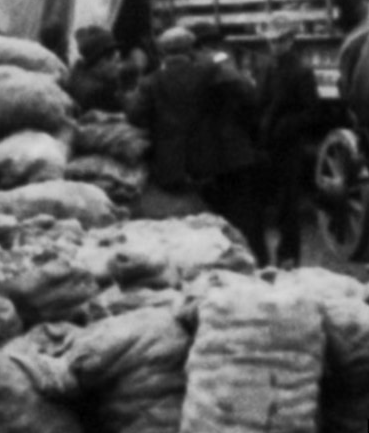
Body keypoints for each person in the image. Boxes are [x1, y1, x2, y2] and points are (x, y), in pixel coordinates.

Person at [189, 22, 268, 265]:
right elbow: (251, 98)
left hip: (205, 158)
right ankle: (259, 263)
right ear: (212, 44)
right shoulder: (222, 67)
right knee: (248, 217)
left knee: (218, 219)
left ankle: (229, 265)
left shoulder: (188, 69)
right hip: (235, 154)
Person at [124, 26, 224, 195]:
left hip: (169, 164)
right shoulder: (209, 73)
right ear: (190, 49)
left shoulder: (150, 82)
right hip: (206, 158)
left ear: (163, 52)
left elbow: (134, 116)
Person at [255, 13, 320, 268]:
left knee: (287, 205)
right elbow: (260, 102)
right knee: (264, 201)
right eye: (271, 41)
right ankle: (263, 258)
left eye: (280, 40)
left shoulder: (302, 72)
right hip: (266, 144)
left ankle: (288, 256)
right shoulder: (266, 67)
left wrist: (285, 127)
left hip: (288, 146)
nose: (275, 45)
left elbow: (312, 112)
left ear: (291, 40)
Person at [66, 25, 122, 114]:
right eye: (111, 57)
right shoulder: (100, 94)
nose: (118, 62)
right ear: (98, 62)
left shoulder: (78, 74)